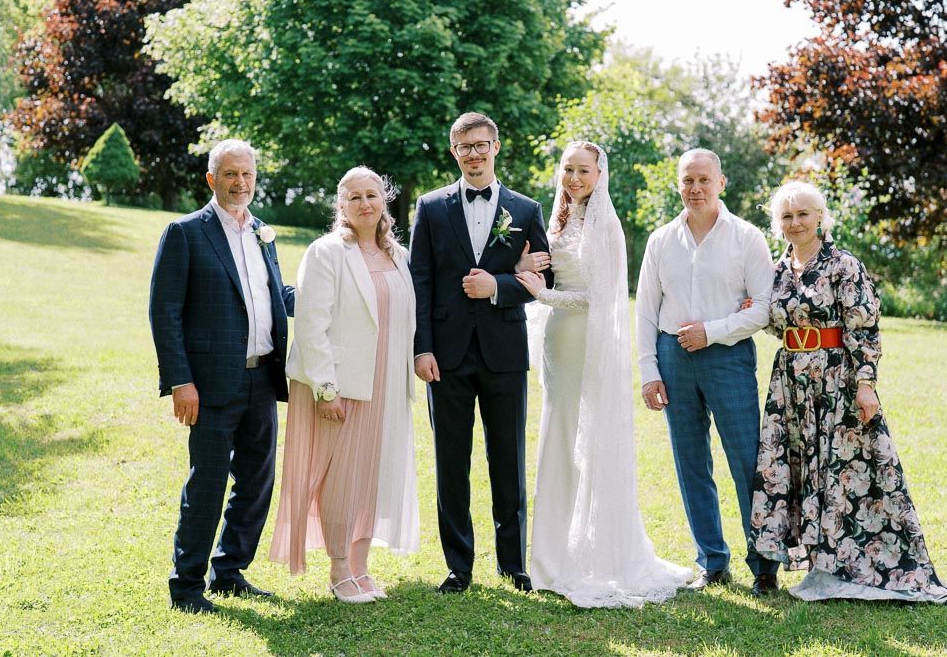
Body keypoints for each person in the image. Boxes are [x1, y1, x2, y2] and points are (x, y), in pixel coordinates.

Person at [748, 181, 947, 603]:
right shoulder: (777, 269)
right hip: (790, 384)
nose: (795, 223)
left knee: (846, 470)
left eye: (803, 214)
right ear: (777, 223)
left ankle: (857, 564)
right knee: (801, 468)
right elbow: (773, 321)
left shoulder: (843, 264)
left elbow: (865, 326)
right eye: (786, 216)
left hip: (837, 380)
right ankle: (818, 563)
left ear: (820, 217)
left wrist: (866, 384)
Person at [515, 141, 688, 607]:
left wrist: (545, 296)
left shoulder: (606, 224)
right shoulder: (559, 217)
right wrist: (527, 272)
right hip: (557, 342)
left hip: (585, 338)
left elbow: (602, 297)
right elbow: (541, 273)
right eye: (568, 169)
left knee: (583, 439)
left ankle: (588, 556)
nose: (573, 179)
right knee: (558, 434)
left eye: (583, 171)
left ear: (599, 174)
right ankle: (550, 557)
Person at [148, 139, 295, 615]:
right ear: (212, 179)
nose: (241, 182)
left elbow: (273, 296)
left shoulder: (261, 234)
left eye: (248, 174)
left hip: (262, 380)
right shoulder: (186, 233)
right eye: (230, 174)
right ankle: (187, 586)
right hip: (209, 386)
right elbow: (164, 312)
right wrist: (179, 381)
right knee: (207, 485)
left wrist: (328, 288)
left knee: (257, 482)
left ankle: (229, 572)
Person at [409, 111, 550, 594]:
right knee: (452, 462)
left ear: (495, 146)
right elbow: (419, 282)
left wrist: (499, 285)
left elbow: (542, 281)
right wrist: (421, 348)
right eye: (464, 146)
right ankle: (458, 566)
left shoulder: (526, 209)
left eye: (481, 144)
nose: (473, 153)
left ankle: (513, 564)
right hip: (444, 357)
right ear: (454, 152)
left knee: (507, 460)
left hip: (504, 352)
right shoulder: (429, 208)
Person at [634, 148, 780, 596]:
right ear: (678, 184)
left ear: (721, 182)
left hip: (728, 357)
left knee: (745, 461)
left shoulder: (747, 238)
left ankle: (764, 565)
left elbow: (764, 307)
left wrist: (711, 332)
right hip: (672, 356)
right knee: (690, 463)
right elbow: (644, 308)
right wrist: (648, 370)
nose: (695, 188)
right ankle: (712, 561)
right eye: (687, 181)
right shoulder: (661, 240)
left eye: (703, 180)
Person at [270, 167, 419, 604]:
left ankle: (361, 566)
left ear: (384, 200)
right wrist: (325, 388)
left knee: (369, 480)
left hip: (387, 385)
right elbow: (312, 325)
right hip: (343, 387)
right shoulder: (326, 253)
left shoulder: (400, 255)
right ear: (341, 206)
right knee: (340, 481)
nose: (365, 204)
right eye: (354, 197)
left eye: (372, 195)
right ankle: (338, 571)